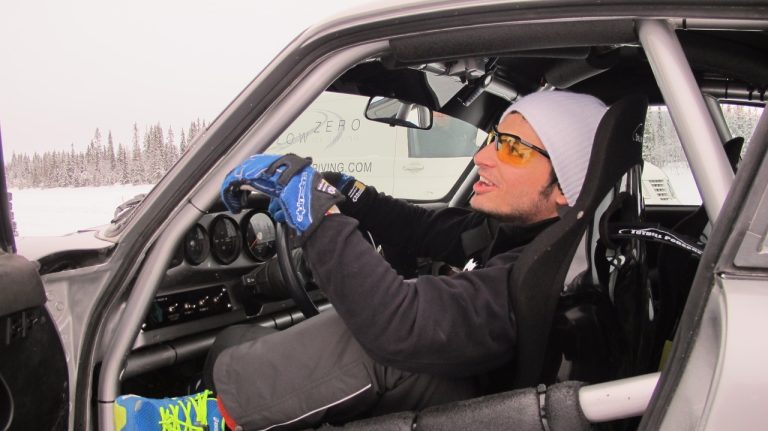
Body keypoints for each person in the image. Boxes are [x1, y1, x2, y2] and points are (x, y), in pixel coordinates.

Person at [115, 90, 608, 431]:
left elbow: (401, 323)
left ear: (565, 186)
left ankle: (206, 418)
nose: (484, 156)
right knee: (236, 343)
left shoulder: (537, 272)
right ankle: (211, 397)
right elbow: (420, 228)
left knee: (366, 338)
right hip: (474, 381)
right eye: (494, 138)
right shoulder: (518, 231)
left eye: (514, 149)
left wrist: (317, 215)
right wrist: (348, 193)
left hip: (483, 410)